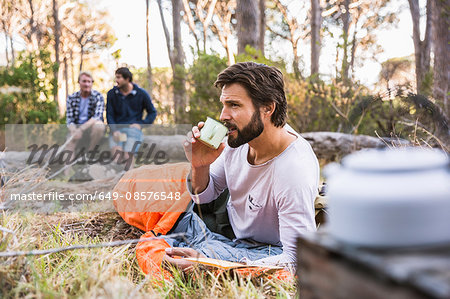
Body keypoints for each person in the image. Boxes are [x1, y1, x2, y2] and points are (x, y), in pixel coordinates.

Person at [123, 62, 319, 277]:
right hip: (229, 218)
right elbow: (203, 196)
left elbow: (297, 259)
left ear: (268, 108)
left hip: (262, 247)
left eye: (234, 105)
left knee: (179, 253)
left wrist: (209, 265)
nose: (223, 116)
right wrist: (200, 165)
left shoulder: (293, 170)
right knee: (143, 187)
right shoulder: (240, 139)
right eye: (223, 104)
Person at [106, 67, 157, 164]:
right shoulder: (111, 94)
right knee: (117, 157)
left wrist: (141, 124)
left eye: (119, 77)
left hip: (133, 131)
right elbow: (109, 114)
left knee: (128, 157)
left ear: (127, 79)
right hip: (118, 131)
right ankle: (117, 178)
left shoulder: (141, 94)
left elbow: (152, 112)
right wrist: (114, 130)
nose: (116, 80)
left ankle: (129, 178)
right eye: (116, 77)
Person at [65, 71, 105, 154]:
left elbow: (97, 117)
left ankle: (90, 153)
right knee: (69, 145)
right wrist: (74, 130)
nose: (87, 84)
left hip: (90, 127)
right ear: (79, 82)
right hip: (76, 127)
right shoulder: (71, 98)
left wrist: (81, 129)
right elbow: (69, 120)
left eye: (89, 81)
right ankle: (68, 166)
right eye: (84, 81)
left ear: (92, 83)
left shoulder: (98, 96)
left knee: (99, 126)